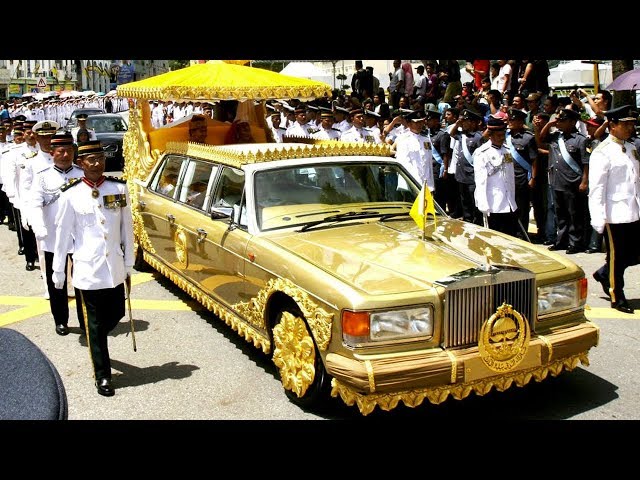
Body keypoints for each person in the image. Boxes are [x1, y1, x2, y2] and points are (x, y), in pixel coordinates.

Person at [51, 140, 134, 396]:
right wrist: (58, 269)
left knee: (117, 312)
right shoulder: (71, 194)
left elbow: (127, 230)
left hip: (114, 266)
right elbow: (62, 234)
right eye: (91, 160)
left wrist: (129, 263)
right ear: (81, 163)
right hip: (88, 269)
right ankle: (103, 376)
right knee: (95, 323)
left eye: (100, 159)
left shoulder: (118, 188)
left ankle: (96, 339)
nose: (97, 164)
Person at [28, 133, 84, 335]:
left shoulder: (82, 174)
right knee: (56, 282)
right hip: (53, 236)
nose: (65, 155)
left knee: (82, 280)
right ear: (52, 153)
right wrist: (38, 226)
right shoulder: (42, 177)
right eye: (61, 151)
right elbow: (34, 204)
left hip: (80, 237)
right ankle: (60, 319)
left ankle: (85, 319)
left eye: (69, 151)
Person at [589, 105, 640, 314]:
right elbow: (597, 188)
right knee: (617, 258)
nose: (630, 128)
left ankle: (603, 273)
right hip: (614, 213)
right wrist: (598, 218)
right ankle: (616, 295)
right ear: (612, 125)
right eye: (626, 124)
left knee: (633, 254)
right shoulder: (602, 152)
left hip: (633, 210)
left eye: (632, 124)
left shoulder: (631, 148)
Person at [539, 107, 590, 254]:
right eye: (558, 120)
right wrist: (549, 124)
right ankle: (561, 241)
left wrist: (584, 182)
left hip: (573, 182)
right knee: (560, 214)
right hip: (557, 181)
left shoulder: (581, 139)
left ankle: (575, 243)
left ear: (572, 122)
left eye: (563, 120)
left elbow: (586, 163)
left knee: (574, 214)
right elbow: (541, 139)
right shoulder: (556, 136)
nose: (559, 123)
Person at [473, 115, 519, 236]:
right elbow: (481, 181)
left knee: (509, 237)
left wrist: (512, 199)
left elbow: (510, 178)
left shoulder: (507, 150)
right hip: (492, 203)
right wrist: (483, 204)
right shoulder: (482, 153)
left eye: (503, 135)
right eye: (498, 136)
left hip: (508, 202)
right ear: (490, 135)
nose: (502, 138)